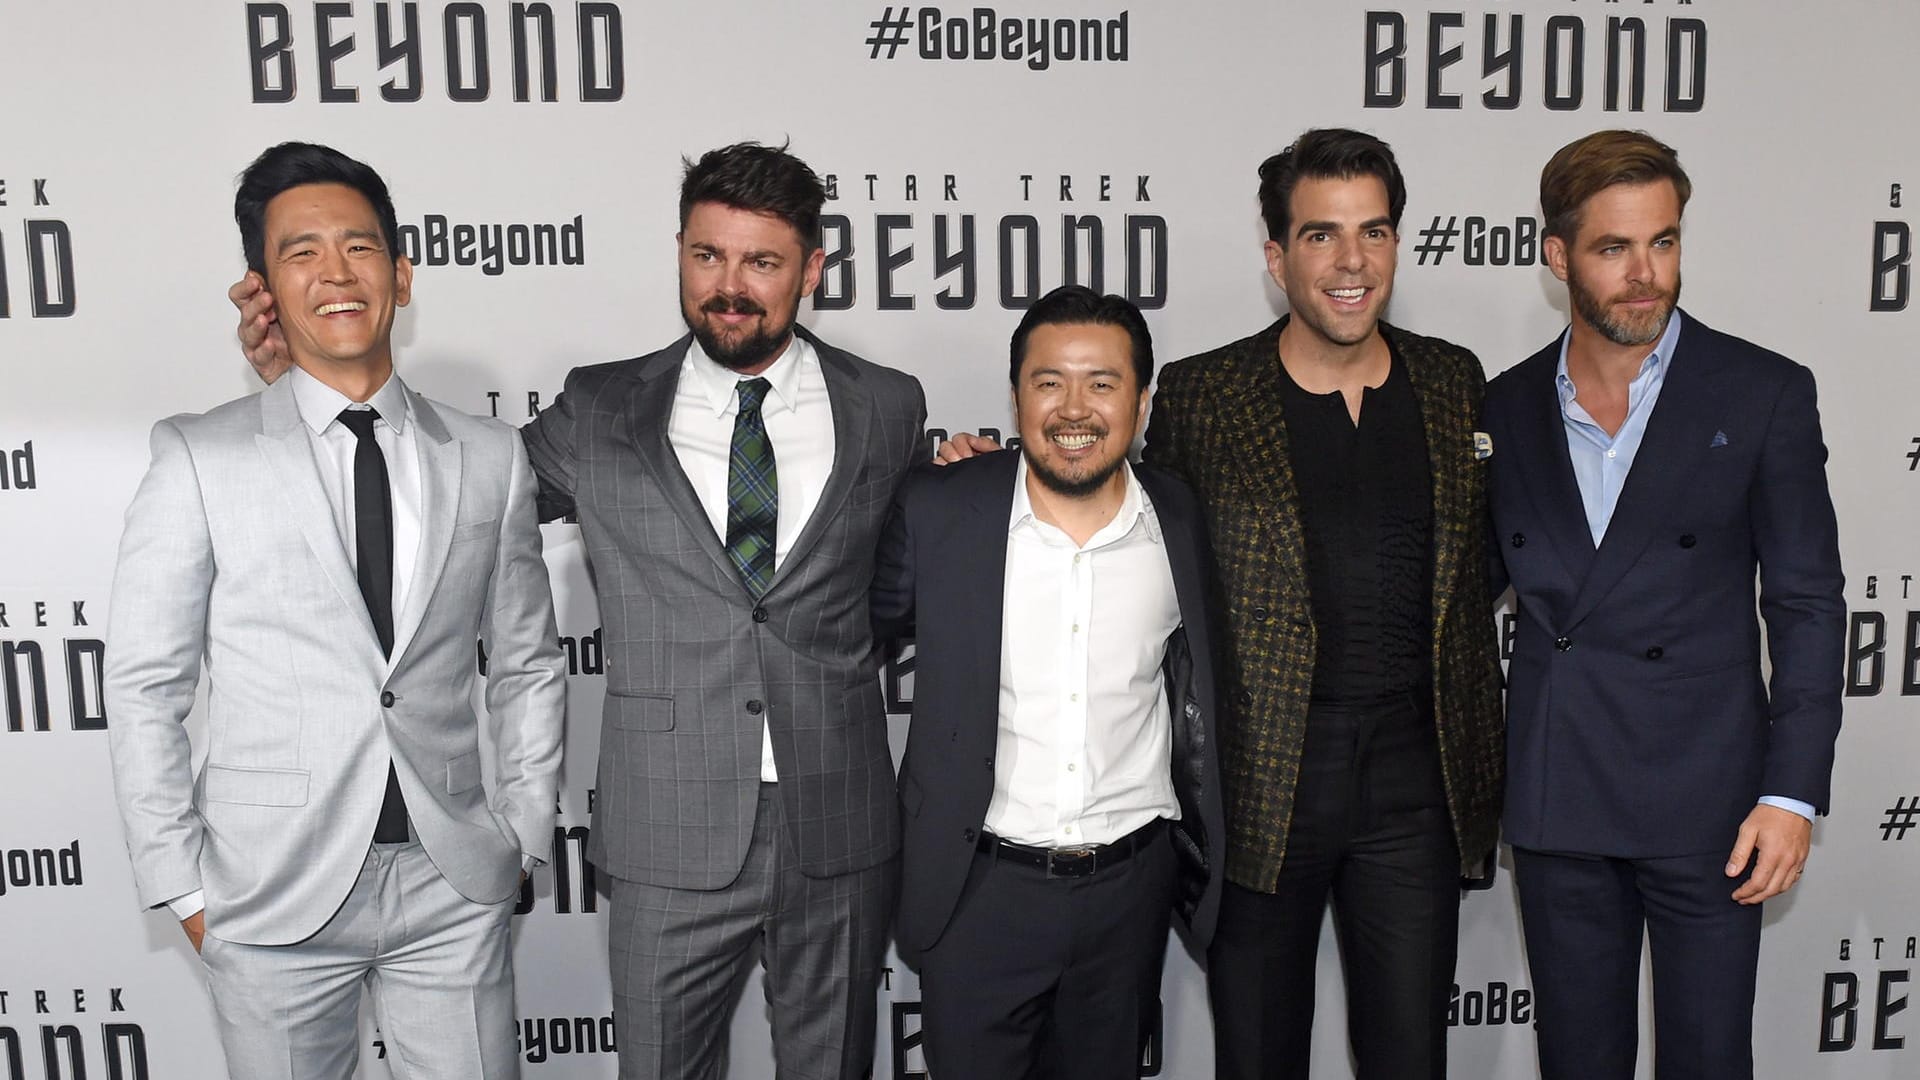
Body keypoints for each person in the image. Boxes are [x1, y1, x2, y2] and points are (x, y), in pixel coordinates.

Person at [233, 141, 926, 1080]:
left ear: (812, 268)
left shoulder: (886, 405)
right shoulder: (602, 408)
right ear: (679, 250)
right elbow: (441, 485)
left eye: (762, 262)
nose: (729, 286)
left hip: (839, 822)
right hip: (665, 829)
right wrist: (303, 381)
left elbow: (897, 572)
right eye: (707, 256)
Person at [938, 128, 1505, 1080]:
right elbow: (1106, 504)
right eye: (1321, 236)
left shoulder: (1454, 381)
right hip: (1257, 786)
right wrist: (981, 478)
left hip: (1417, 784)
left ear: (1399, 242)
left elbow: (1477, 568)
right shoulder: (1204, 396)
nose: (1352, 262)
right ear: (1278, 254)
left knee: (1411, 1055)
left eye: (1374, 231)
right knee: (1256, 1053)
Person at [108, 141, 566, 1079]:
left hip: (452, 882)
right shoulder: (202, 457)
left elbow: (525, 661)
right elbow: (146, 685)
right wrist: (183, 886)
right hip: (268, 892)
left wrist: (521, 836)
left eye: (358, 248)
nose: (335, 273)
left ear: (400, 273)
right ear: (264, 287)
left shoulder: (489, 456)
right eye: (301, 251)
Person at [1484, 129, 1844, 1080]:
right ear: (1557, 256)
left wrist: (1791, 792)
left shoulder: (1762, 392)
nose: (1647, 276)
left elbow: (1808, 604)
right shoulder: (1504, 408)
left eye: (1665, 242)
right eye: (1613, 249)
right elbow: (1461, 590)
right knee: (1578, 1062)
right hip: (1562, 793)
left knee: (1710, 1058)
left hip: (1714, 804)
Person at [872, 285, 1224, 1078]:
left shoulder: (1183, 521)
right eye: (1048, 382)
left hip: (1128, 895)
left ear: (1140, 399)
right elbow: (841, 637)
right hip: (976, 890)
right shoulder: (942, 510)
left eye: (1102, 382)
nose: (1075, 408)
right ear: (1016, 395)